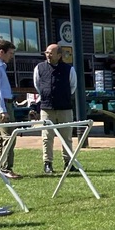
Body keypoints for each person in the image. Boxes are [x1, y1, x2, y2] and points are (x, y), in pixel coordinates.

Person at [33, 41, 77, 175]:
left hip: (64, 108)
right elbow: (37, 85)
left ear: (59, 55)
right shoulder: (39, 68)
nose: (48, 55)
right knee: (47, 137)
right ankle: (47, 163)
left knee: (67, 137)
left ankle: (68, 162)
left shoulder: (69, 69)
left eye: (51, 53)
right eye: (46, 52)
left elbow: (73, 86)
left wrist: (62, 96)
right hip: (46, 108)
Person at [0, 39, 20, 179]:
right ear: (1, 52)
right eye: (10, 53)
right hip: (3, 106)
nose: (11, 56)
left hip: (4, 104)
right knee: (9, 137)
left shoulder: (1, 67)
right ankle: (6, 168)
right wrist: (2, 109)